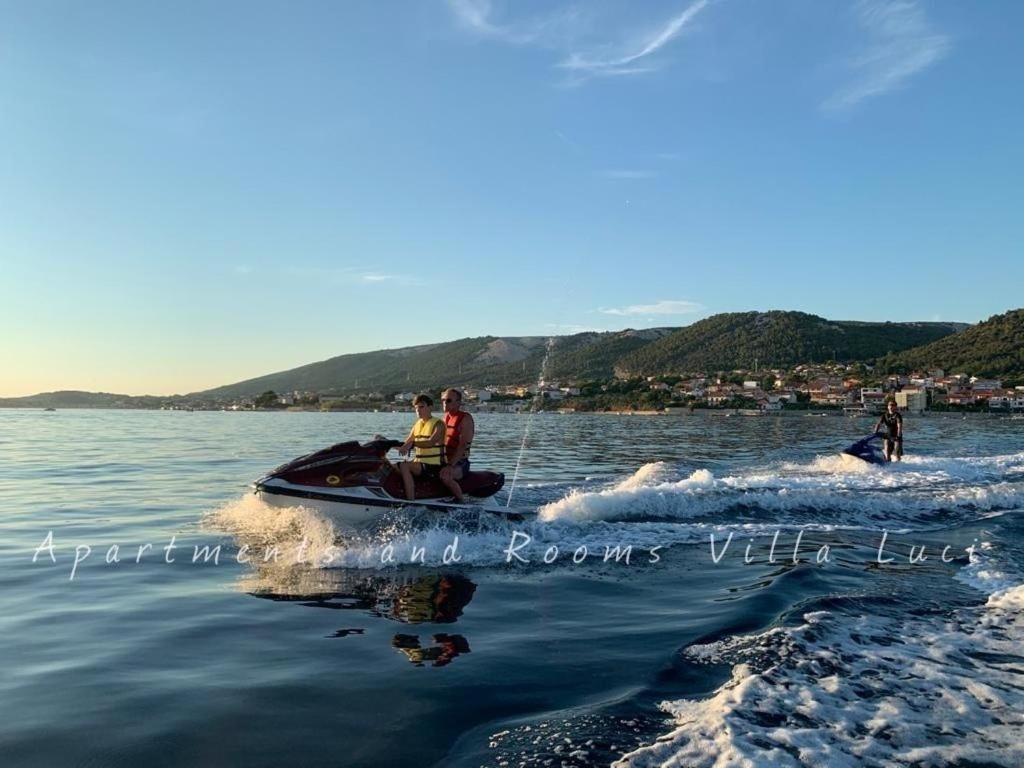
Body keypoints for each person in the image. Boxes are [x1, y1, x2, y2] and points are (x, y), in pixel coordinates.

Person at [396, 394, 445, 500]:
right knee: (392, 466)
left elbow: (430, 442)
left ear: (430, 407)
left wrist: (412, 444)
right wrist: (386, 442)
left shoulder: (439, 424)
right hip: (420, 463)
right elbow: (406, 444)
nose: (418, 410)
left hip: (434, 466)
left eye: (421, 407)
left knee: (404, 466)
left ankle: (411, 501)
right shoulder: (417, 425)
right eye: (416, 408)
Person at [439, 388, 475, 502]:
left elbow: (462, 445)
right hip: (444, 459)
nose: (445, 403)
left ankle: (461, 502)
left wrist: (450, 466)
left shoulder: (465, 419)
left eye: (448, 400)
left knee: (445, 476)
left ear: (458, 402)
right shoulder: (445, 418)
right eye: (443, 400)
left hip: (460, 463)